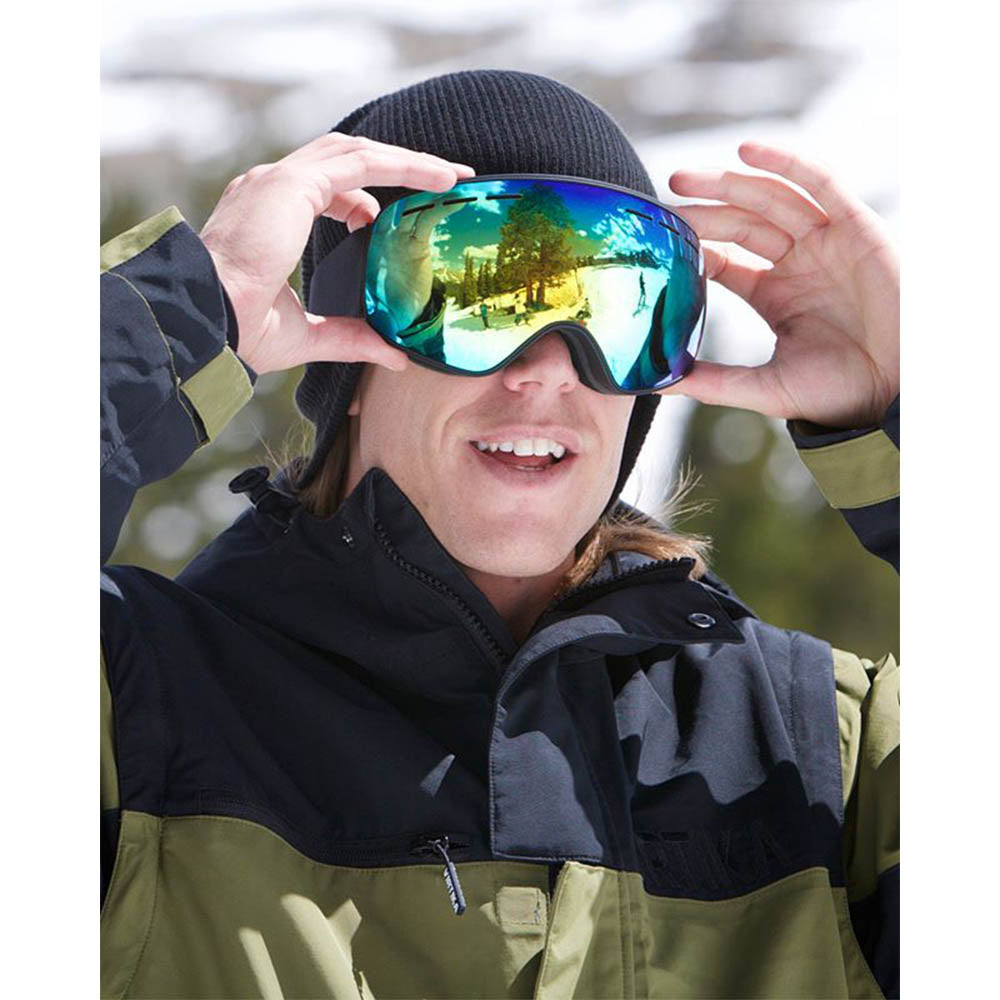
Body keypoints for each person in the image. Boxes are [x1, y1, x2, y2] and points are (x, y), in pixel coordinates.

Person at [100, 69, 899, 999]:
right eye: (482, 298)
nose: (549, 370)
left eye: (610, 308)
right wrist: (180, 314)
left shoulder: (823, 751)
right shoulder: (136, 713)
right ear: (349, 345)